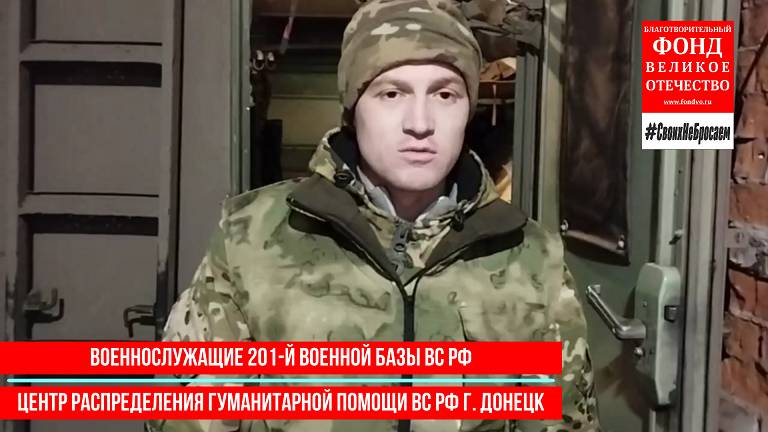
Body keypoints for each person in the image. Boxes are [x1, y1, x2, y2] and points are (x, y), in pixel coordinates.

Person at [147, 0, 600, 430]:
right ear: (353, 109)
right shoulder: (250, 239)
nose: (420, 123)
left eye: (445, 94)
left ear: (468, 109)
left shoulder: (531, 259)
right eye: (391, 93)